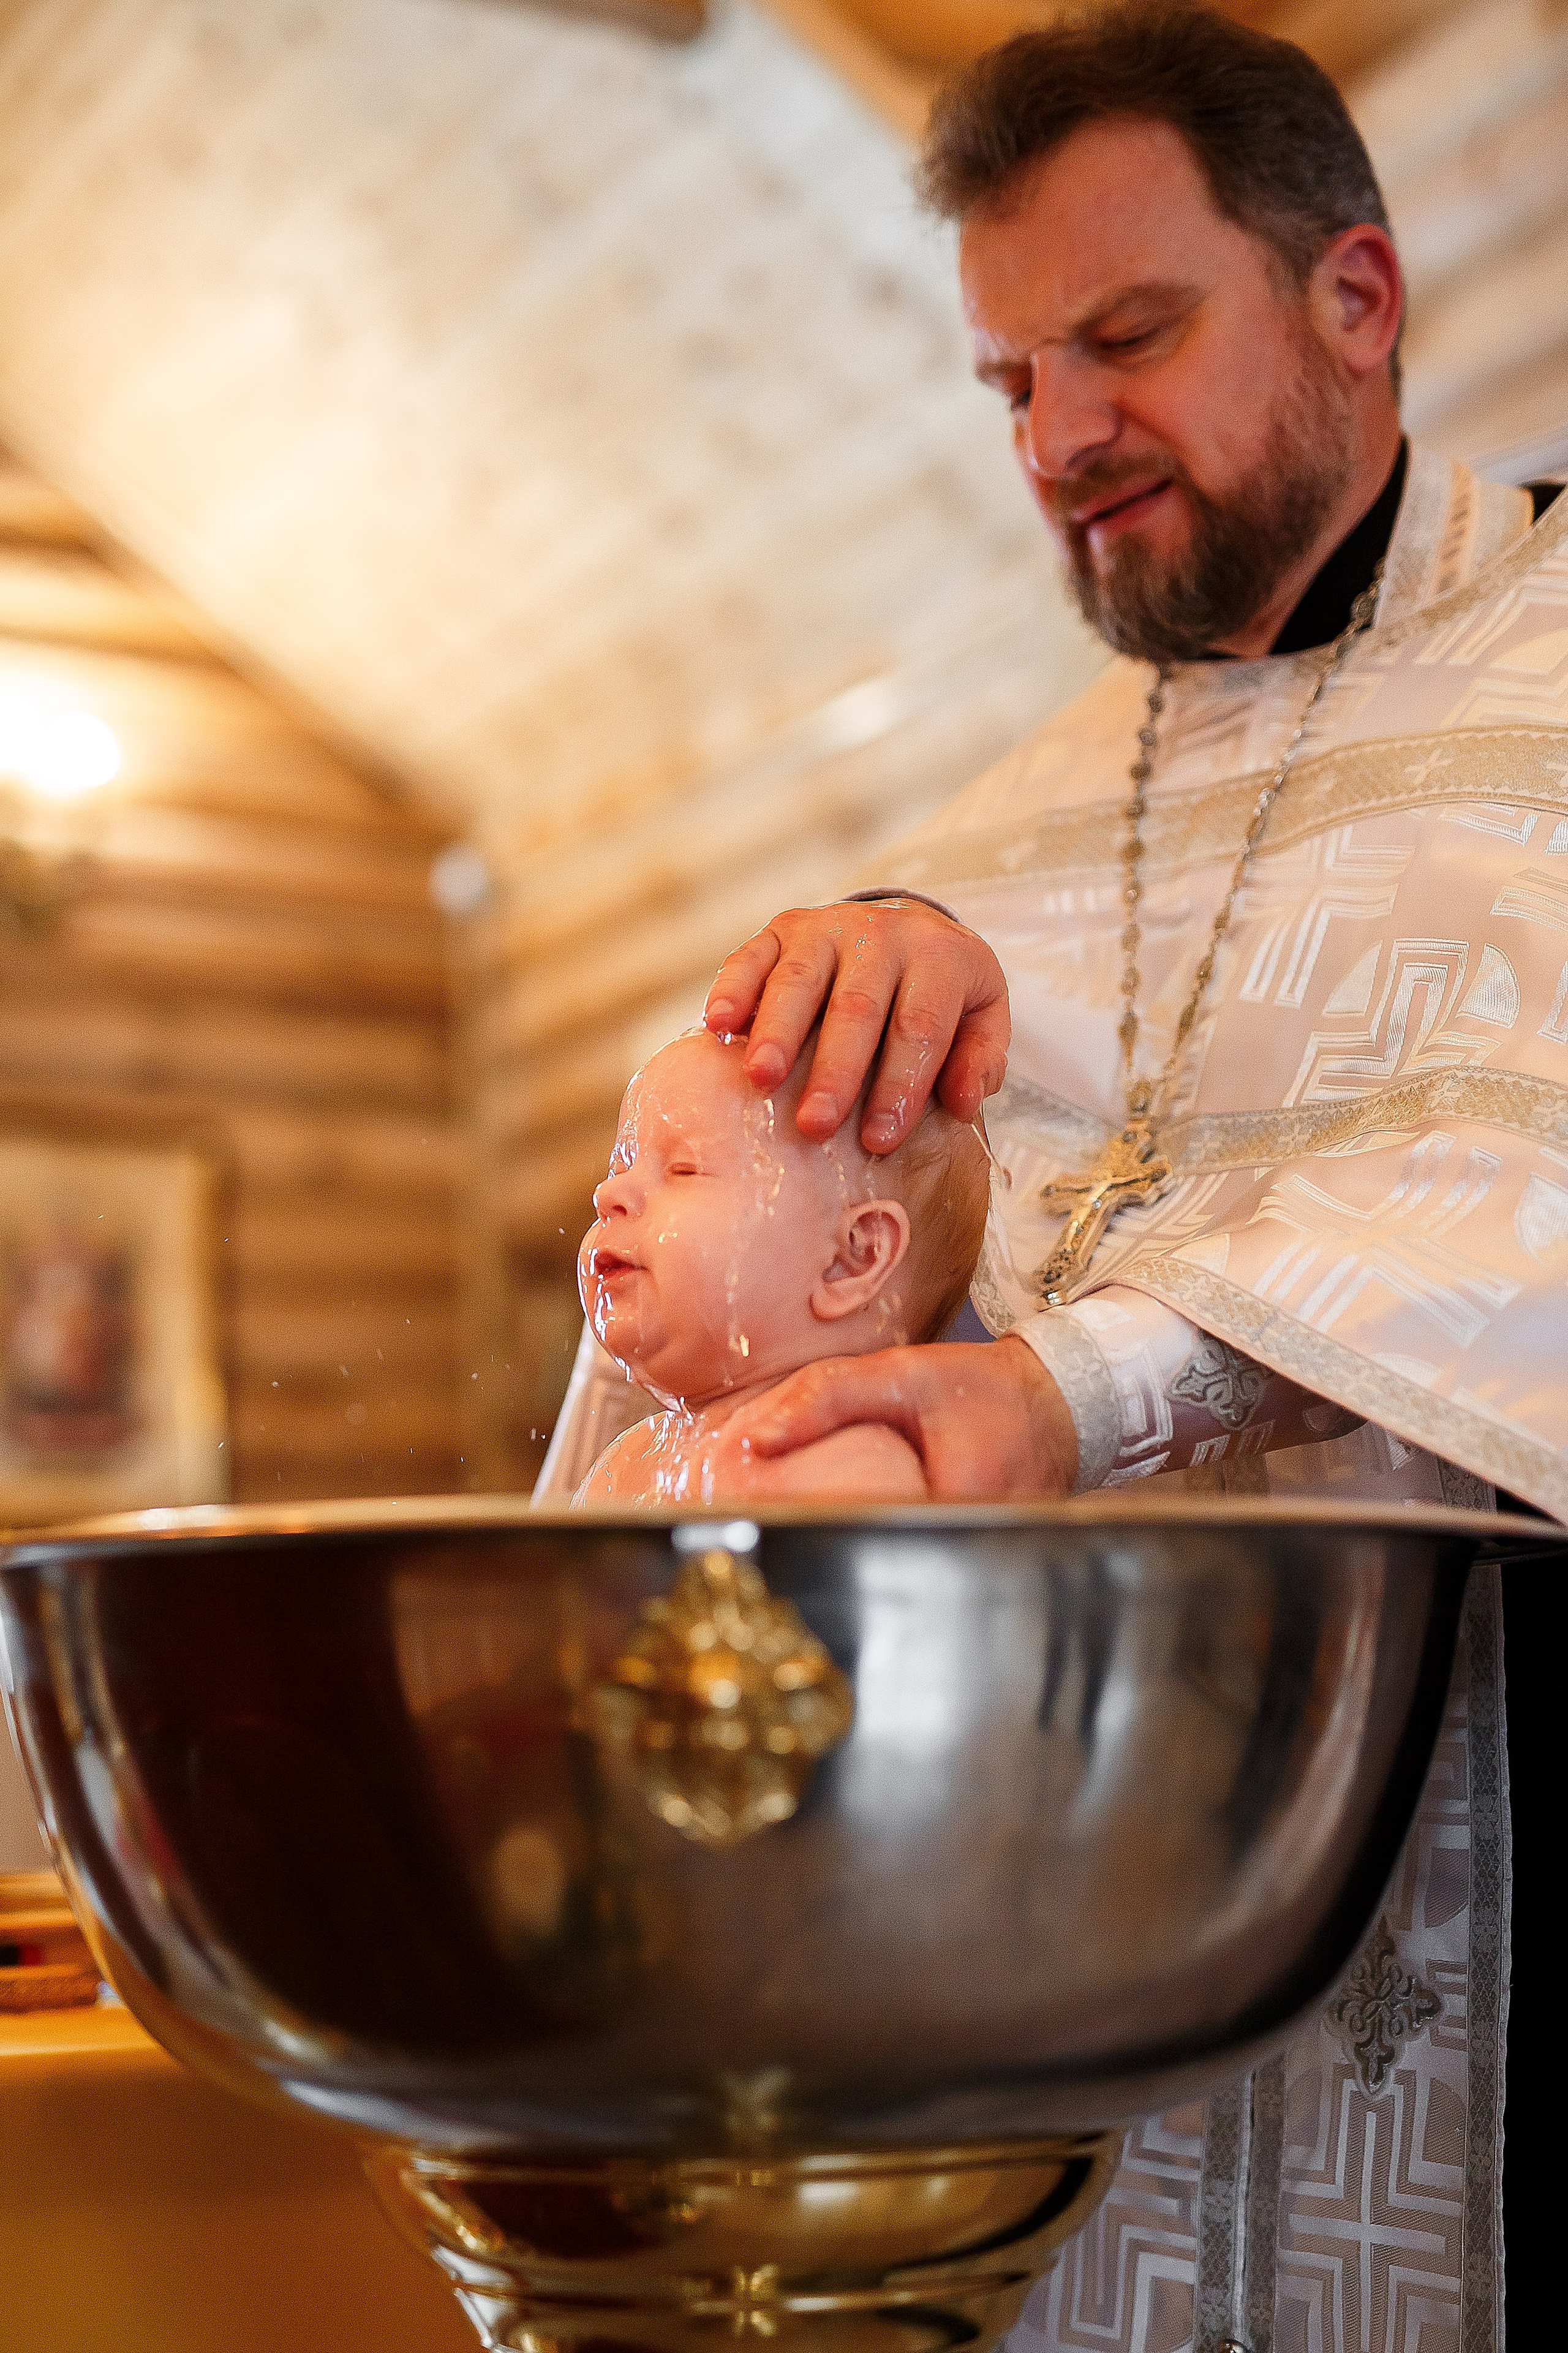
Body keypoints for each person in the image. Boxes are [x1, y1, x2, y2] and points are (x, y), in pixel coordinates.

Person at [538, 7, 1564, 2347]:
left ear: (1355, 300)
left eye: (1124, 335)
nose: (1060, 434)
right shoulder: (979, 841)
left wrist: (1077, 1391)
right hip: (1055, 1936)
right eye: (1009, 380)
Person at [571, 1027, 990, 1504]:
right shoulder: (624, 1465)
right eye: (621, 1168)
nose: (607, 1196)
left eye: (684, 1169)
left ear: (850, 1260)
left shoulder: (851, 1469)